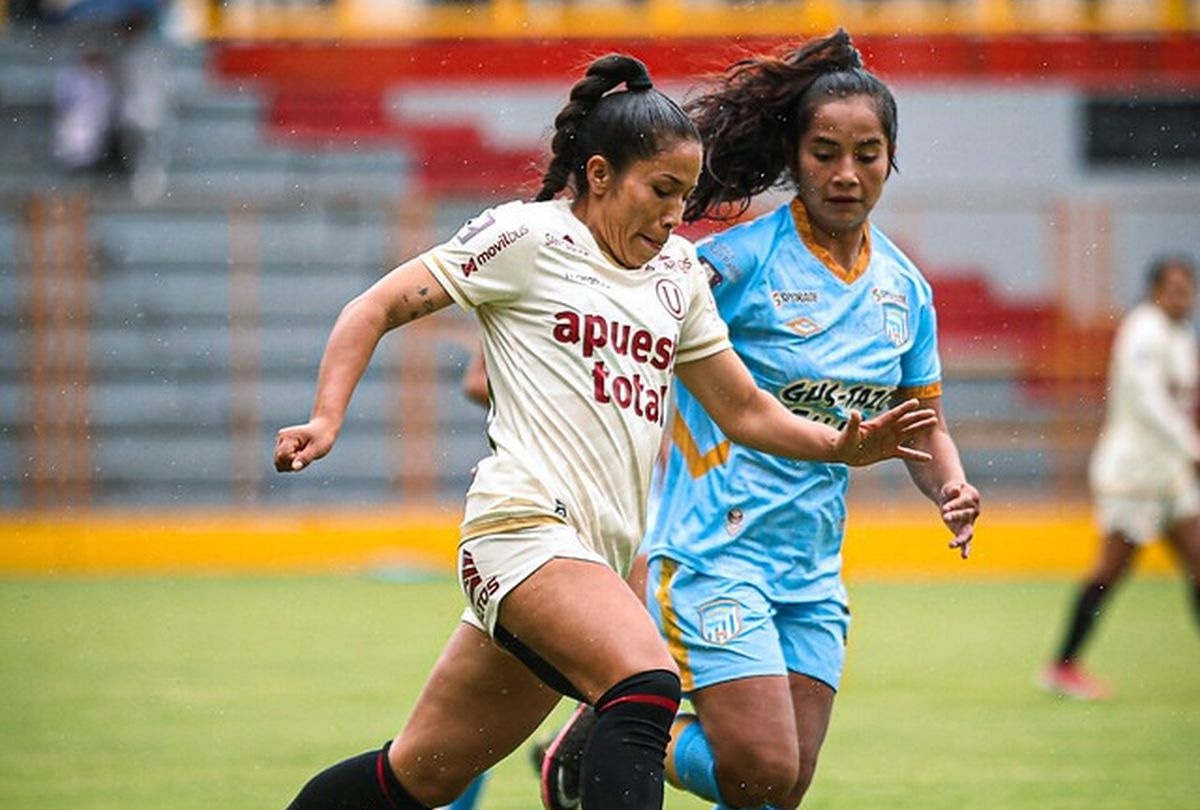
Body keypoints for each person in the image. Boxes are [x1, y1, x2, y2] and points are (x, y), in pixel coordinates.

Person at [273, 52, 938, 810]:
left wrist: (838, 446)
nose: (673, 216)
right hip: (520, 530)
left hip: (597, 552)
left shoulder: (679, 277)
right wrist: (327, 417)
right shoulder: (525, 238)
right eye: (660, 192)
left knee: (420, 775)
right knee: (645, 683)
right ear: (597, 176)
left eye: (684, 198)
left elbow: (746, 410)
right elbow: (376, 306)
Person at [538, 31, 981, 810]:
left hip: (810, 569)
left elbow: (921, 426)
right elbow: (630, 304)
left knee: (781, 786)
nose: (846, 173)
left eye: (867, 154)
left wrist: (950, 483)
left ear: (891, 157)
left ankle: (608, 732)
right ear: (795, 155)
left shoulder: (906, 291)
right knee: (762, 768)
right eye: (825, 152)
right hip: (713, 551)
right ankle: (615, 735)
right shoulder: (737, 263)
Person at [1037, 255, 1200, 701]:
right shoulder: (1143, 332)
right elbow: (1149, 403)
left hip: (1170, 475)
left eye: (1190, 290)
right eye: (1176, 290)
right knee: (1110, 570)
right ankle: (1062, 666)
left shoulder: (1180, 335)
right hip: (1134, 475)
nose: (1185, 299)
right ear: (1155, 291)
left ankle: (1063, 665)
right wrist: (1193, 448)